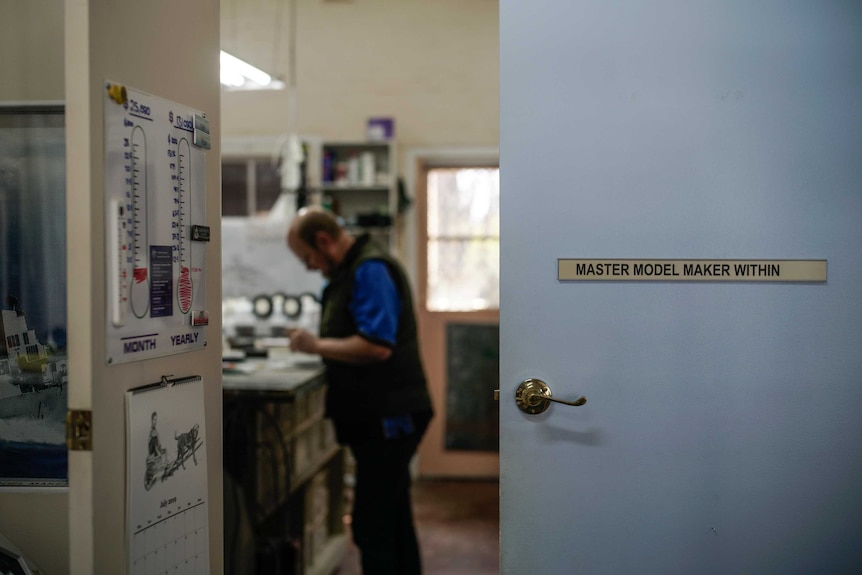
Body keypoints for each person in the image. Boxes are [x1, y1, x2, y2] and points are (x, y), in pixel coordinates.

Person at [286, 206, 433, 575]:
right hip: (381, 413)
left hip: (390, 416)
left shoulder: (369, 270)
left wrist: (314, 345)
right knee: (393, 516)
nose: (309, 266)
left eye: (307, 257)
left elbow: (377, 345)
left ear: (323, 241)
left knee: (372, 526)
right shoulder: (349, 271)